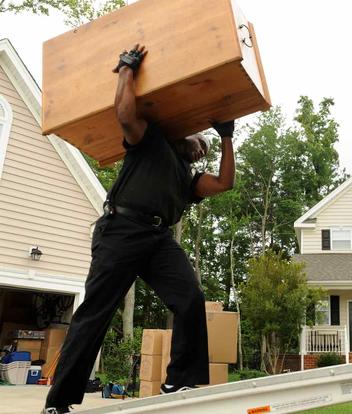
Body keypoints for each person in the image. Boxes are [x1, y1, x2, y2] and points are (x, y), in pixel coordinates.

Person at [43, 44, 236, 414]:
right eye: (201, 141)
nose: (202, 150)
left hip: (158, 238)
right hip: (121, 228)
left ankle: (178, 379)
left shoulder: (189, 182)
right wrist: (126, 70)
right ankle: (59, 402)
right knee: (96, 312)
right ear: (184, 133)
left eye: (206, 150)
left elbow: (225, 182)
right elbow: (125, 114)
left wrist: (226, 136)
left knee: (190, 298)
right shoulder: (151, 142)